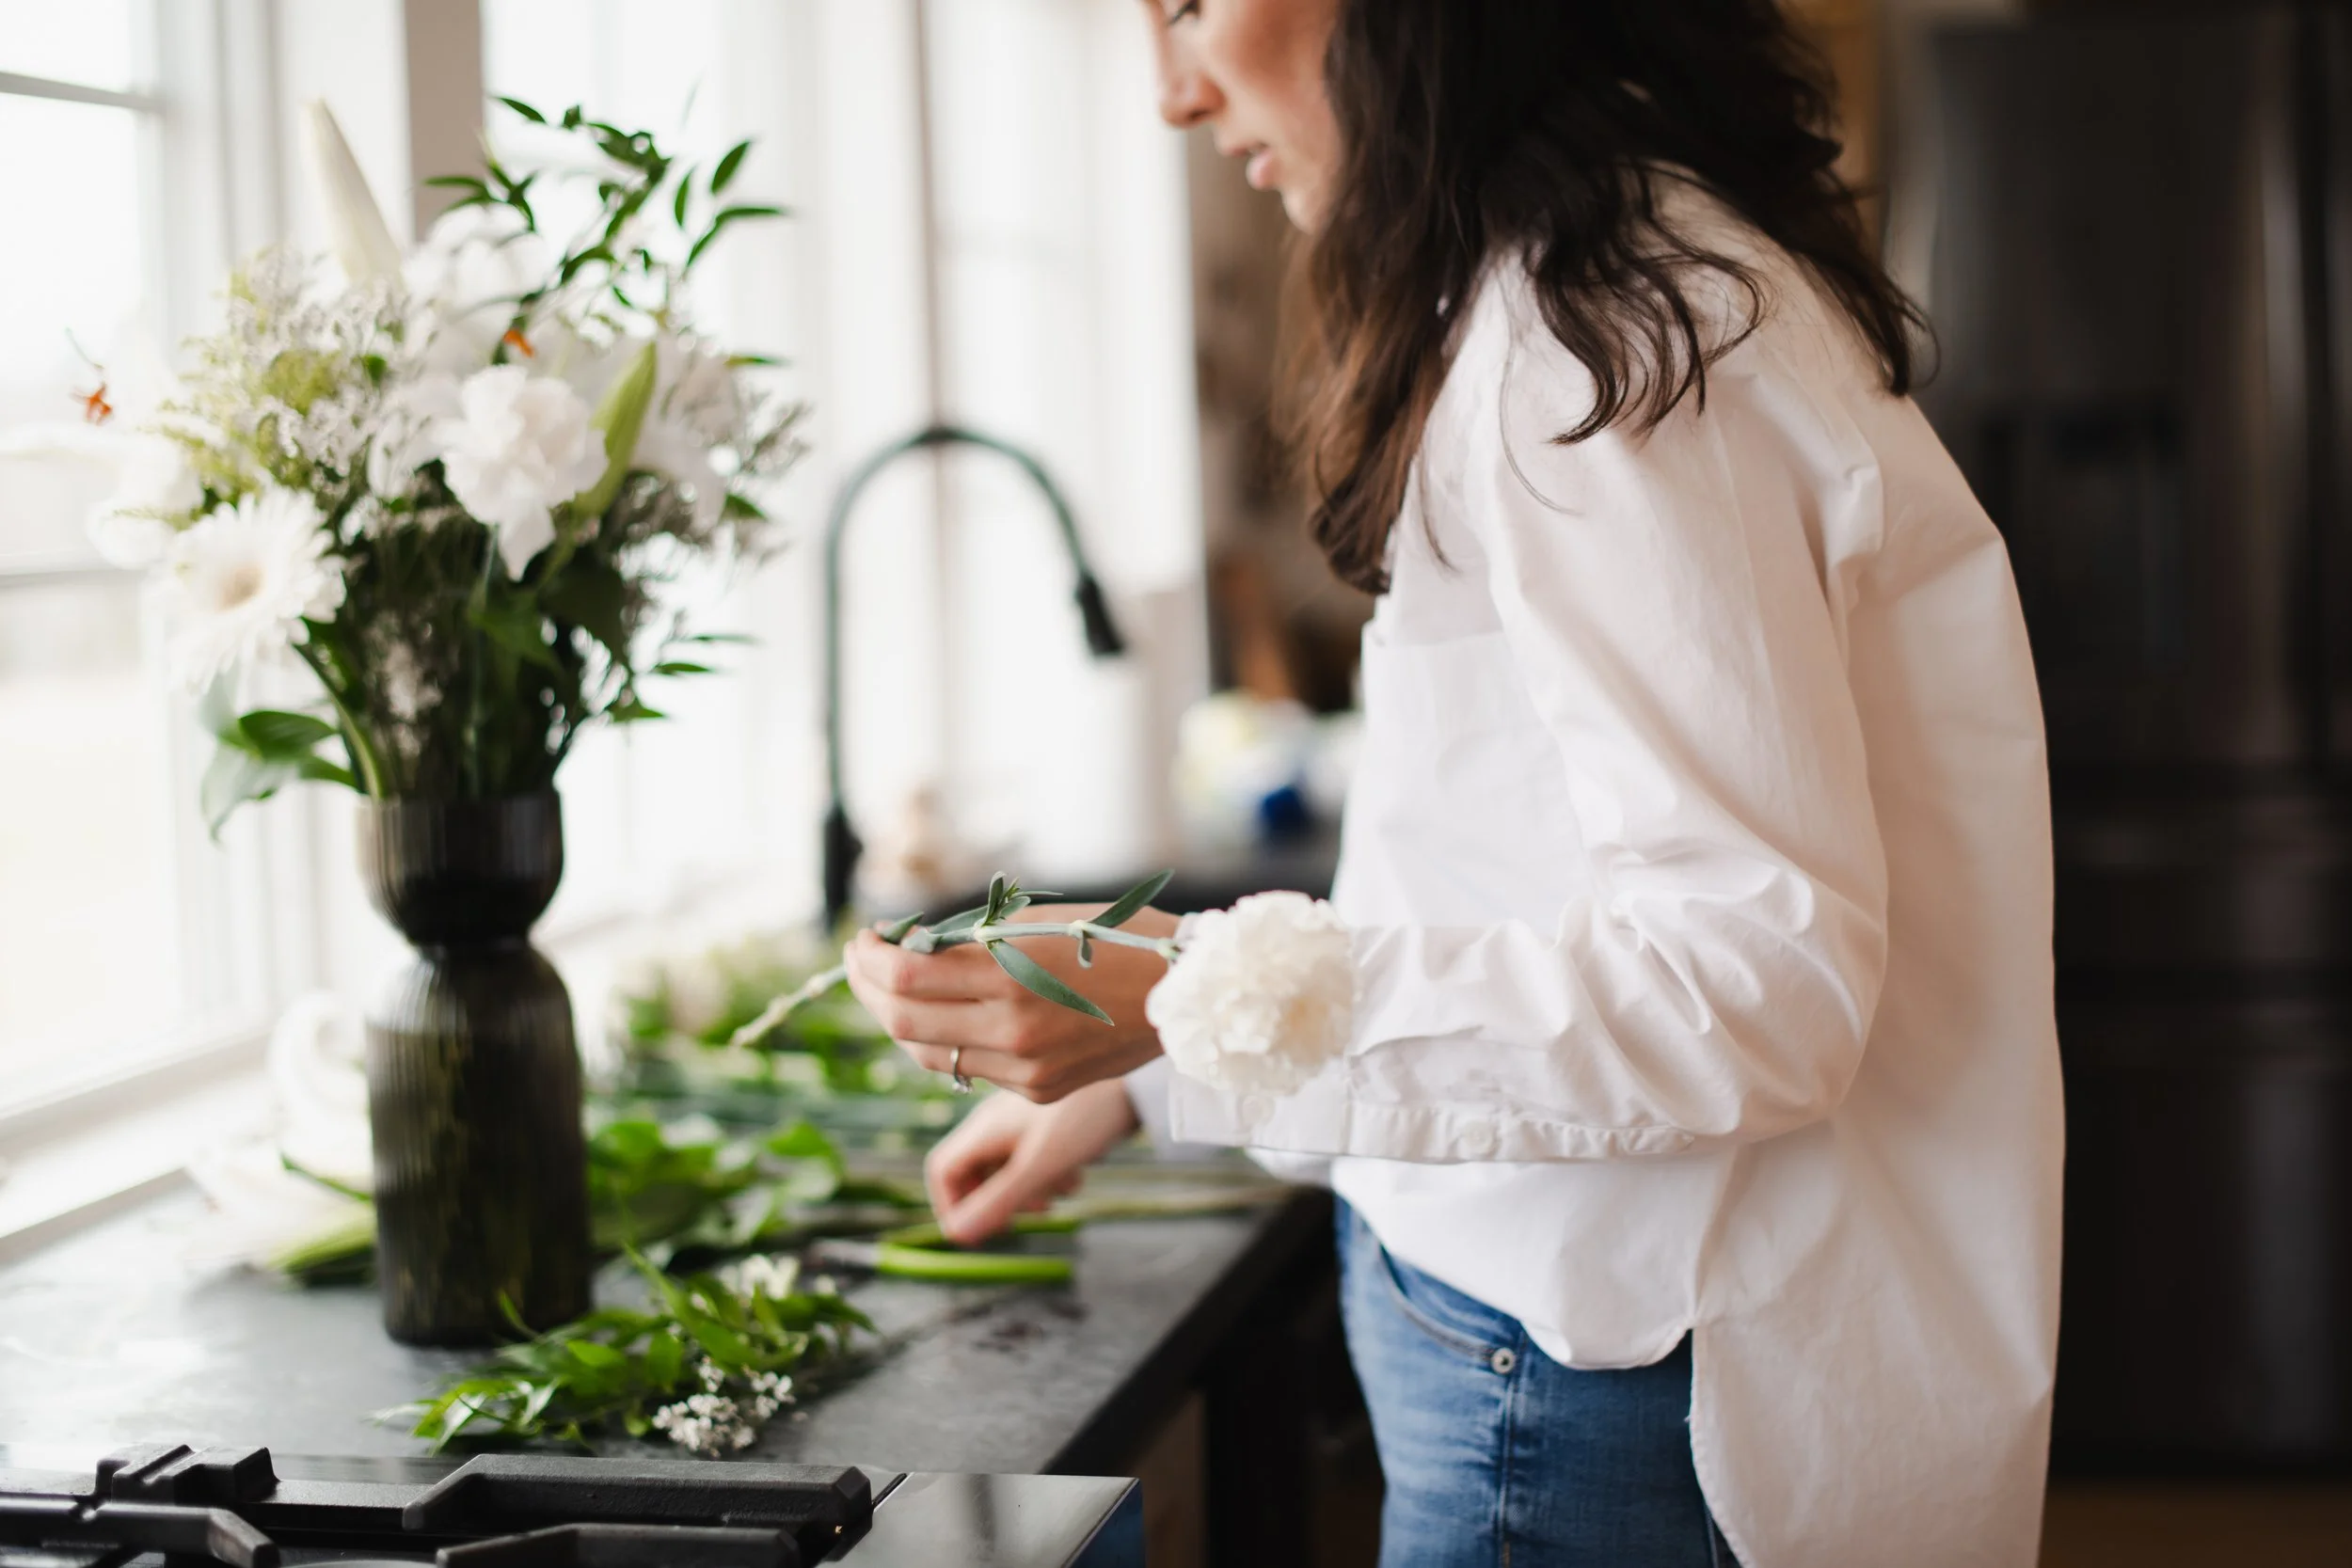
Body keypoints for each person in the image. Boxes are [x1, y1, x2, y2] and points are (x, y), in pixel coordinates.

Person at [842, 2, 2062, 1564]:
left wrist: (1179, 990)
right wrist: (1151, 1070)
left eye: (1190, 4)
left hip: (1581, 1397)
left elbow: (1753, 981)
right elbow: (1508, 861)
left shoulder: (1589, 339)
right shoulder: (1586, 276)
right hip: (1558, 1352)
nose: (1170, 90)